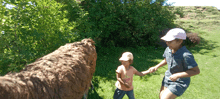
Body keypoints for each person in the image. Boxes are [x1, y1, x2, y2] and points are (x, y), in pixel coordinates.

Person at [148, 28, 200, 99]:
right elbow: (166, 60)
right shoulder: (168, 49)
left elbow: (196, 71)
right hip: (167, 78)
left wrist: (178, 75)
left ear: (180, 41)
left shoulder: (186, 55)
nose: (167, 43)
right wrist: (156, 66)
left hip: (180, 82)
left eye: (170, 41)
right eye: (166, 41)